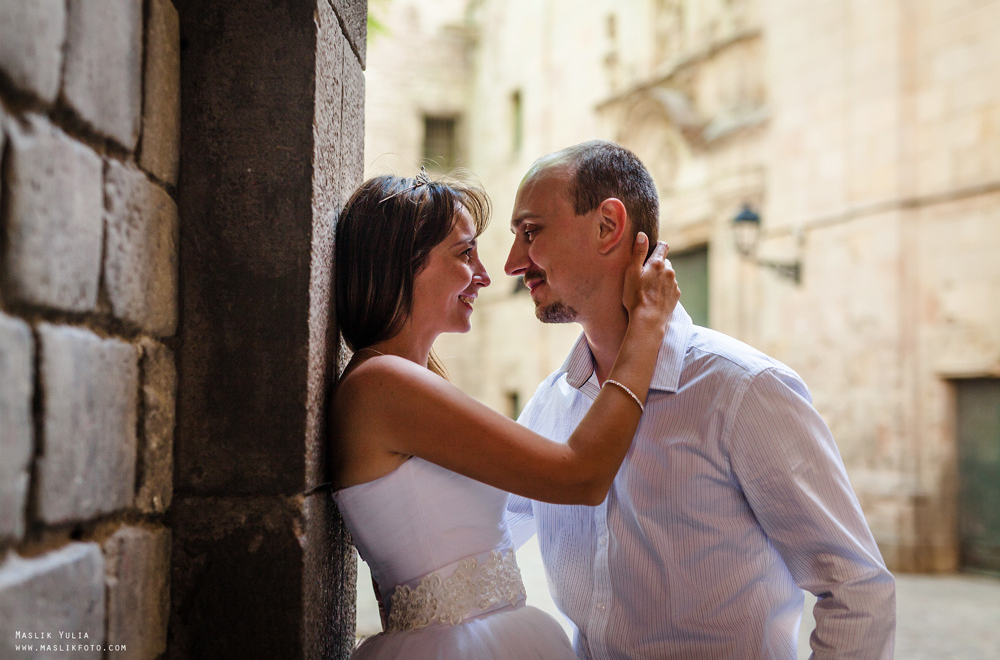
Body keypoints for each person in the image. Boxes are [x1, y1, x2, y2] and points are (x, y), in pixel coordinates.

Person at [504, 140, 896, 659]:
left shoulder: (745, 390)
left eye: (530, 233)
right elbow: (486, 535)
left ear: (607, 227)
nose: (512, 264)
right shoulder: (551, 404)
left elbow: (857, 590)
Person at [329, 169, 680, 660]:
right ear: (403, 264)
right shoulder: (383, 384)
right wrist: (648, 326)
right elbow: (580, 475)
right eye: (464, 253)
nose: (486, 274)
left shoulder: (402, 381)